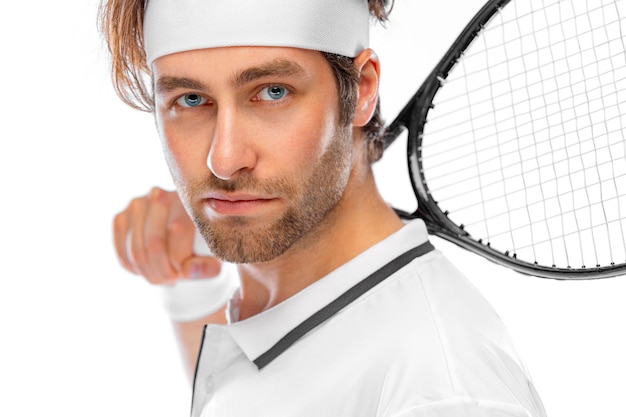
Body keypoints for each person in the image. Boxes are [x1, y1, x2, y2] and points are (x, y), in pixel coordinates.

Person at [101, 0, 547, 415]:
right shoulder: (290, 309)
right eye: (191, 100)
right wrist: (192, 289)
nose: (224, 159)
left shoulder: (438, 392)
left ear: (361, 90)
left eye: (273, 92)